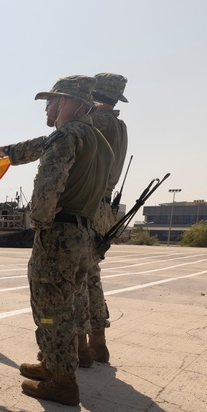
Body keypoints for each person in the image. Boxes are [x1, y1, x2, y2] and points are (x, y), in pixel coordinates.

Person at [0, 76, 112, 405]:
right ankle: (52, 364)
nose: (47, 108)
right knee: (62, 305)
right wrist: (3, 151)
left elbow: (48, 180)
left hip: (59, 236)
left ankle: (62, 381)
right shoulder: (99, 142)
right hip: (84, 235)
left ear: (68, 102)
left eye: (51, 102)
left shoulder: (67, 135)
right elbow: (42, 144)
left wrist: (38, 220)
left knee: (52, 308)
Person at [84, 73, 129, 363]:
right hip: (103, 208)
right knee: (91, 276)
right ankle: (98, 341)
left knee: (74, 277)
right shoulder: (120, 125)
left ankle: (76, 346)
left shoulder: (98, 122)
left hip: (86, 205)